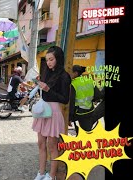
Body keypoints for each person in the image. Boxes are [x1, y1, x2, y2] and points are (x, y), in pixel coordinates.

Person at [32, 46, 71, 180]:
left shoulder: (65, 76)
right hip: (42, 110)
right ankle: (41, 172)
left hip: (54, 111)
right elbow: (44, 93)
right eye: (47, 60)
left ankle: (52, 175)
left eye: (51, 59)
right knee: (41, 144)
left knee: (52, 146)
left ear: (58, 59)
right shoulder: (46, 73)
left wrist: (48, 89)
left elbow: (65, 99)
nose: (48, 63)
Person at [69, 65, 104, 134]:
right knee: (86, 129)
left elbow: (71, 103)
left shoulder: (73, 84)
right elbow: (98, 96)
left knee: (85, 132)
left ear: (75, 73)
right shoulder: (89, 80)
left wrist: (69, 118)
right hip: (90, 110)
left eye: (70, 72)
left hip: (79, 113)